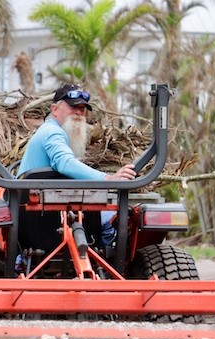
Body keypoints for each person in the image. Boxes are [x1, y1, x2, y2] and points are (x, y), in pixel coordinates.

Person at [17, 84, 136, 246]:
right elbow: (64, 163)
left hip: (44, 219)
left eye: (82, 108)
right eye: (73, 106)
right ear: (54, 109)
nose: (79, 112)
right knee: (115, 220)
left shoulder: (52, 132)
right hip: (42, 218)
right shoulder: (52, 132)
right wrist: (108, 179)